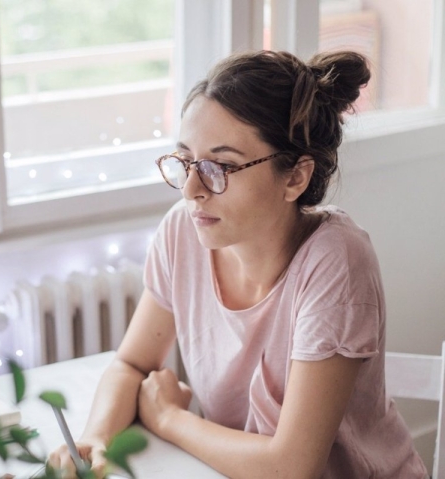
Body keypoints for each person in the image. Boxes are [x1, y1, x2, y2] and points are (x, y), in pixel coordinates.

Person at [49, 50, 429, 479]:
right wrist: (96, 437)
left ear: (295, 178)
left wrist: (170, 419)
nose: (191, 188)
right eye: (186, 160)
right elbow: (133, 364)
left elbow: (291, 467)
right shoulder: (185, 231)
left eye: (220, 166)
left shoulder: (335, 262)